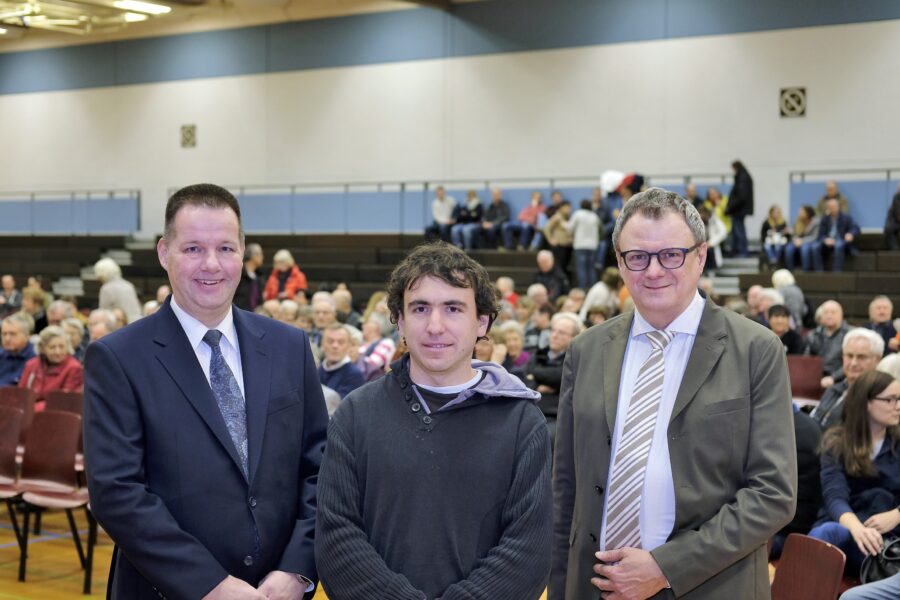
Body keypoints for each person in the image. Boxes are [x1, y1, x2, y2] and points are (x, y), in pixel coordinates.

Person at [84, 183, 327, 599]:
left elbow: (321, 468)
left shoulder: (289, 345)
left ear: (244, 253)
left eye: (226, 249)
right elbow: (117, 492)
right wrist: (210, 585)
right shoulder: (117, 357)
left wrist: (297, 569)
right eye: (193, 248)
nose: (211, 264)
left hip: (276, 590)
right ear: (164, 253)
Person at [551, 187, 796, 599]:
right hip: (595, 587)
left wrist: (666, 567)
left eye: (671, 255)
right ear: (620, 263)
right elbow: (566, 491)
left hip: (711, 586)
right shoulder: (586, 350)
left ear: (700, 256)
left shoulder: (756, 348)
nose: (653, 271)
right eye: (638, 257)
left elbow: (773, 494)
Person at [315, 242, 552, 600]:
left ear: (482, 322)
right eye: (420, 308)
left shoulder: (521, 422)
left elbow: (528, 551)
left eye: (453, 308)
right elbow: (337, 538)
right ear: (399, 321)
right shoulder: (354, 414)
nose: (435, 326)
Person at [808, 370, 900, 573]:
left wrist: (897, 515)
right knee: (829, 532)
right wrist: (858, 529)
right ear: (866, 403)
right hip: (846, 528)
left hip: (886, 542)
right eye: (890, 400)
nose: (898, 406)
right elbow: (834, 496)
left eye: (899, 399)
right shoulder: (837, 443)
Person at [811, 328, 884, 431]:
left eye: (861, 357)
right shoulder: (833, 389)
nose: (853, 363)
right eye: (849, 356)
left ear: (877, 360)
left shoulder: (880, 398)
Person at [18, 325, 83, 410]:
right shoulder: (31, 365)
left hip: (56, 414)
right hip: (27, 411)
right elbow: (21, 393)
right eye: (52, 347)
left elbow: (63, 401)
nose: (57, 352)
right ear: (43, 348)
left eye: (62, 347)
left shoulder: (74, 368)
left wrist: (32, 408)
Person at [317, 323, 365, 399]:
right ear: (322, 344)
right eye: (330, 341)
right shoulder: (318, 370)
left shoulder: (354, 375)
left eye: (341, 342)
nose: (335, 346)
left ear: (349, 346)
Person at [813, 198, 861, 272]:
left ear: (838, 207)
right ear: (828, 208)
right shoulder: (825, 219)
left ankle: (837, 273)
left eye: (834, 207)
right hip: (828, 242)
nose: (833, 209)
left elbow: (856, 228)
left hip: (841, 240)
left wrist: (851, 234)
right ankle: (819, 273)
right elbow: (820, 235)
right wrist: (825, 240)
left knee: (839, 245)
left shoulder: (846, 217)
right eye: (831, 207)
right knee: (815, 247)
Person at [566, 199, 602, 290]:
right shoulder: (594, 216)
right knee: (591, 269)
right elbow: (600, 230)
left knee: (581, 269)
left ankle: (582, 289)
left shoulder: (578, 214)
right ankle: (592, 289)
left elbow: (569, 228)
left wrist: (562, 223)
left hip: (580, 245)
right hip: (592, 246)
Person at [95, 257, 142, 325]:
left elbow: (103, 312)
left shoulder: (106, 288)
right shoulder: (128, 284)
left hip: (122, 325)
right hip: (137, 323)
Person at [726, 160, 754, 258]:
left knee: (739, 231)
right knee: (736, 231)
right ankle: (735, 251)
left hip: (738, 210)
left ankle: (742, 252)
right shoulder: (744, 176)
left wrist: (731, 207)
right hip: (739, 209)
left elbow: (741, 196)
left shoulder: (742, 177)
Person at [0, 312, 36, 386]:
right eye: (4, 334)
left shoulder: (35, 360)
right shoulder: (1, 355)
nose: (7, 338)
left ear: (27, 336)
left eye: (12, 334)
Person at [784, 205, 821, 271]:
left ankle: (806, 271)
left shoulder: (815, 222)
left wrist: (802, 241)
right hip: (797, 241)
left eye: (802, 212)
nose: (799, 214)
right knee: (788, 248)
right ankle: (790, 270)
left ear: (808, 213)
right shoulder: (798, 221)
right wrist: (794, 238)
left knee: (805, 249)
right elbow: (795, 233)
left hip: (809, 241)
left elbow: (814, 236)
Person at [233, 242, 265, 311]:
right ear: (253, 256)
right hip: (238, 313)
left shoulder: (259, 276)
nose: (263, 258)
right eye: (260, 254)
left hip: (254, 315)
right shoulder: (238, 273)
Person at [885, 184, 900, 251]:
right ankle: (895, 250)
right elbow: (898, 215)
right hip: (895, 222)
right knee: (888, 229)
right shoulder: (896, 198)